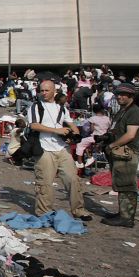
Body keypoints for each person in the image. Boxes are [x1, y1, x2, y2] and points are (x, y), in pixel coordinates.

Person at [27, 80, 91, 220]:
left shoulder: (62, 108)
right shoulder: (36, 107)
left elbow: (71, 124)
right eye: (42, 90)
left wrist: (74, 135)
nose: (43, 93)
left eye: (46, 90)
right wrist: (57, 130)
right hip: (44, 148)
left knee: (73, 179)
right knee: (45, 183)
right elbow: (34, 126)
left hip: (62, 148)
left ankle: (78, 210)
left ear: (53, 91)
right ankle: (44, 212)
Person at [101, 83, 139, 227]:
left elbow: (130, 134)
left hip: (127, 152)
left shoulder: (134, 112)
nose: (119, 96)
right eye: (118, 94)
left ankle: (126, 218)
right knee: (120, 184)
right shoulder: (123, 110)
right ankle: (122, 212)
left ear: (131, 96)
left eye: (123, 94)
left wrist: (113, 145)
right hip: (120, 152)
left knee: (126, 185)